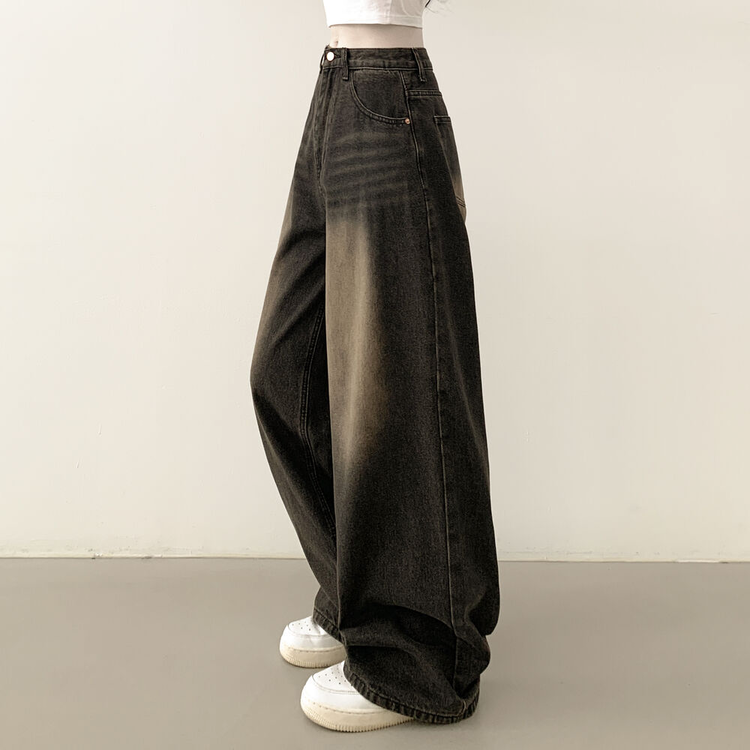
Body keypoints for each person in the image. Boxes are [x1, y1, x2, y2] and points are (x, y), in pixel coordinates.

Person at [249, 0, 501, 733]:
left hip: (389, 91)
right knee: (284, 371)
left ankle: (419, 656)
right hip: (338, 87)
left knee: (399, 386)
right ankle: (360, 596)